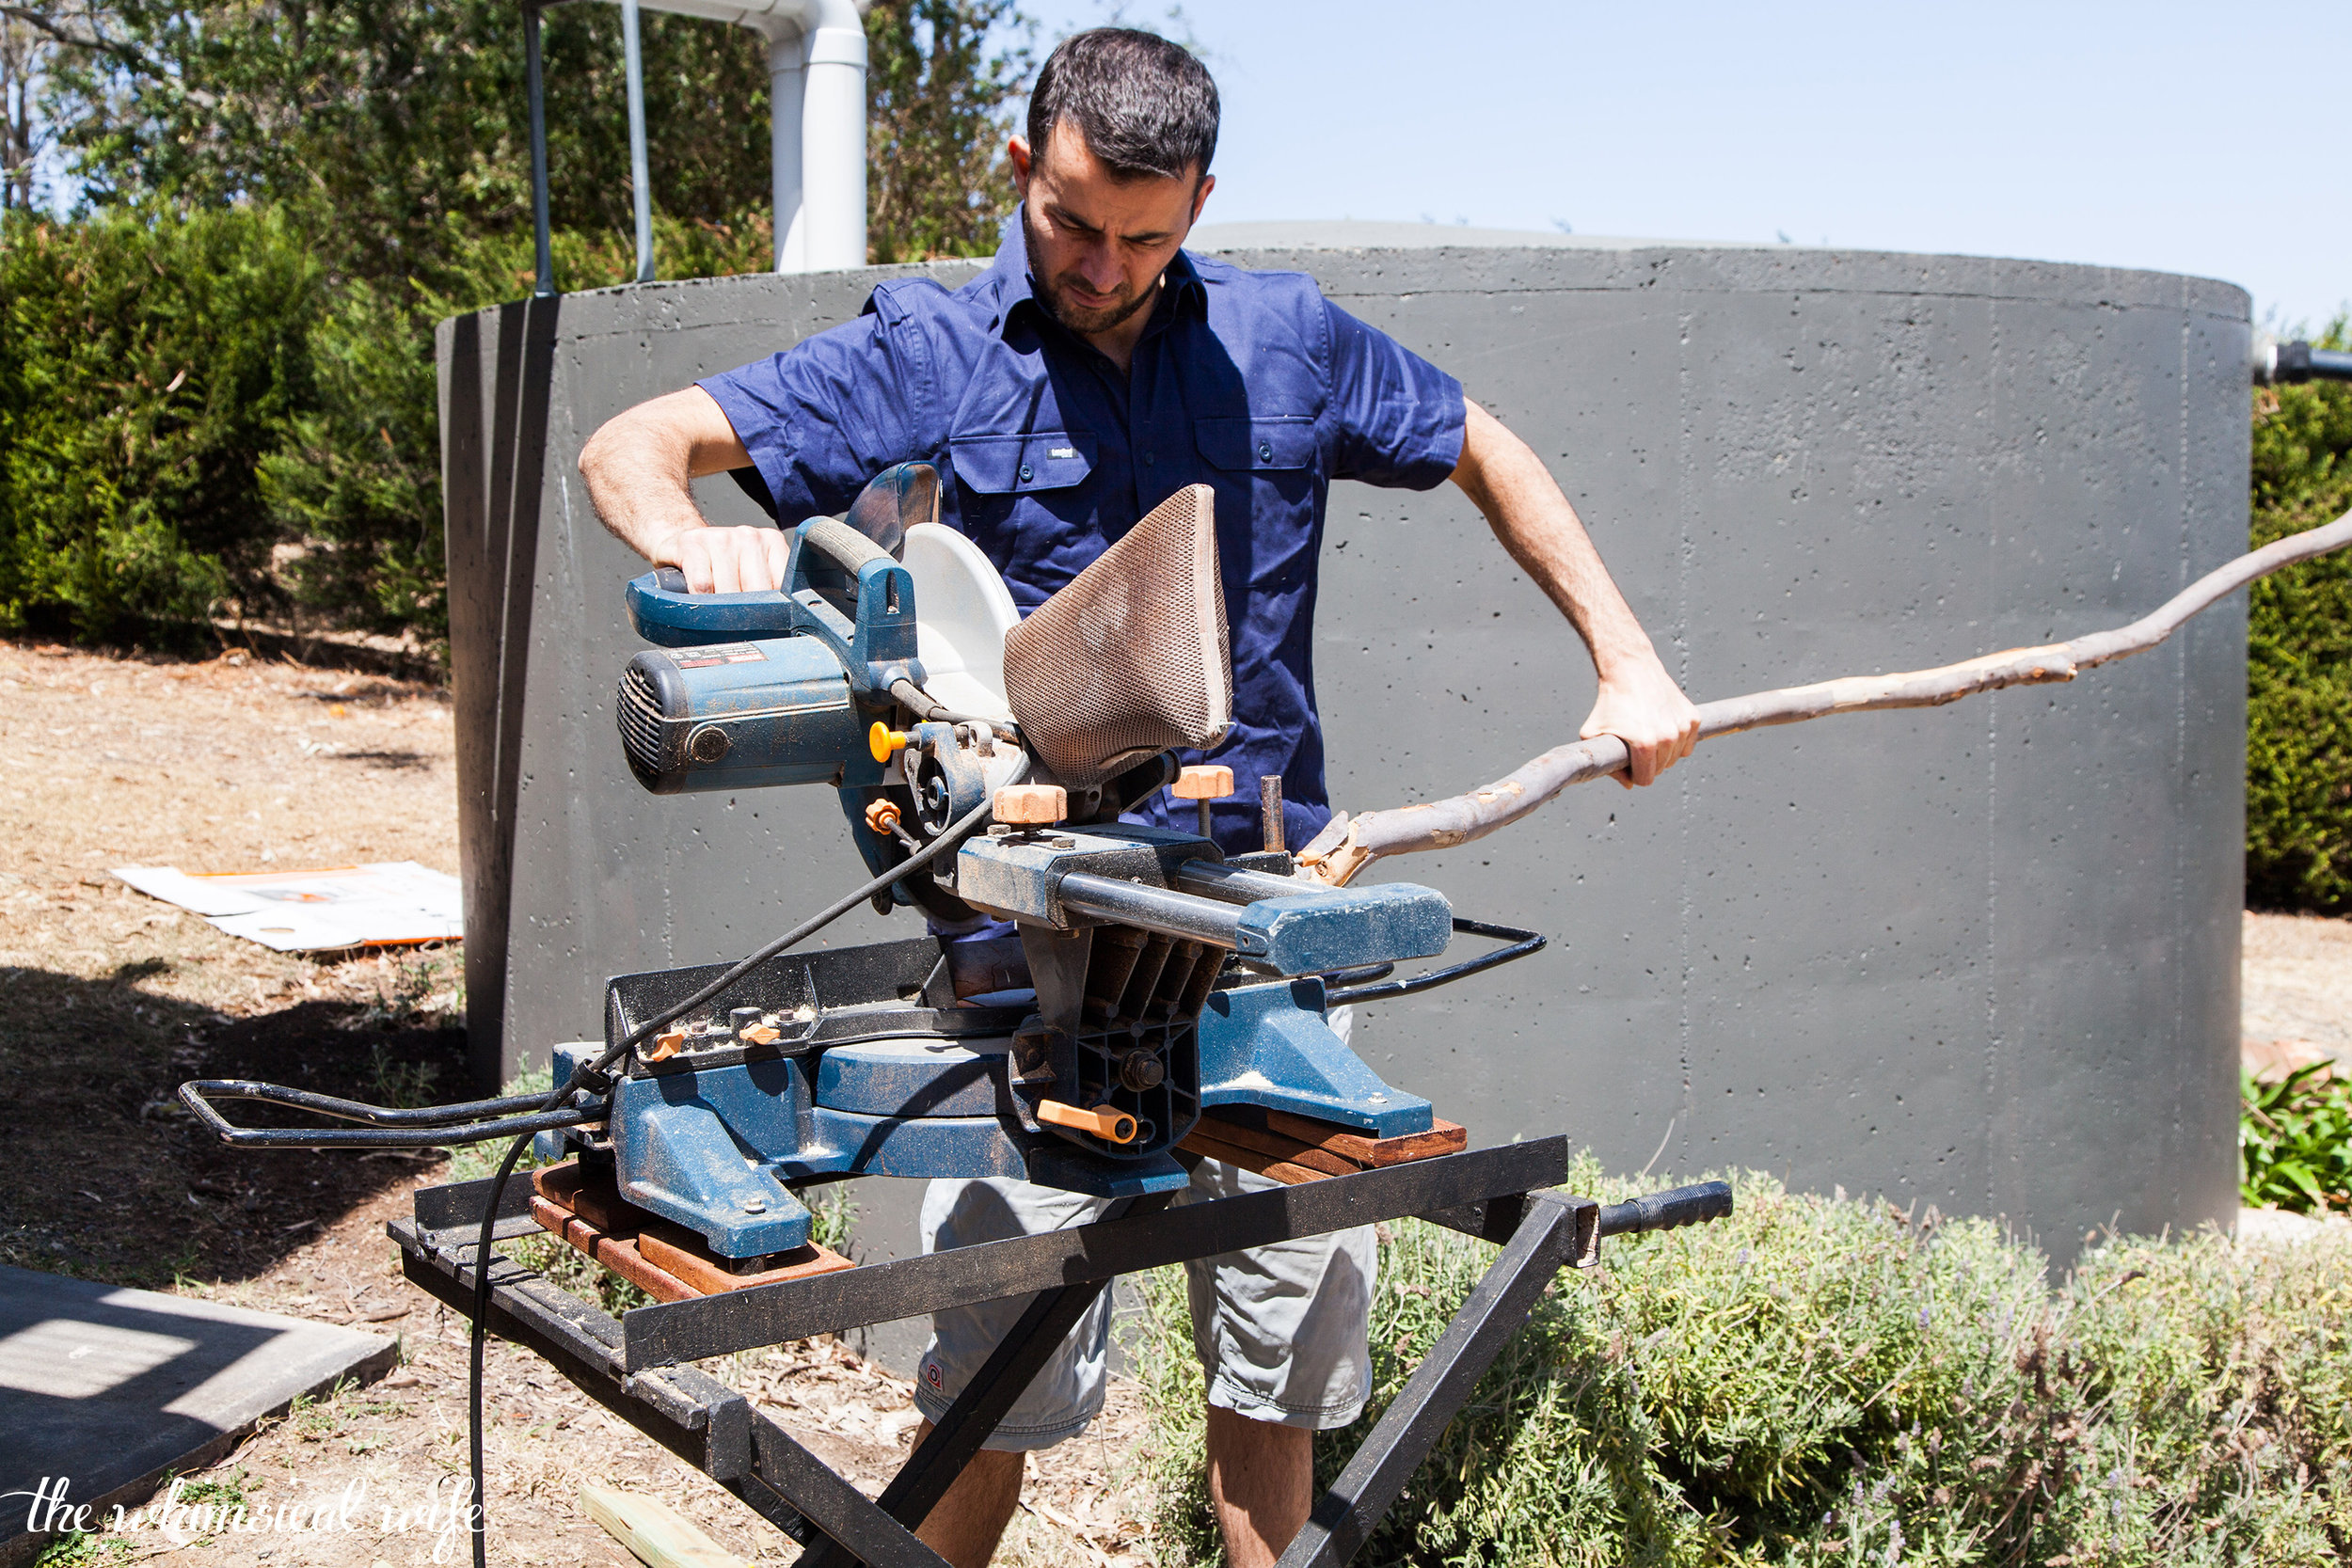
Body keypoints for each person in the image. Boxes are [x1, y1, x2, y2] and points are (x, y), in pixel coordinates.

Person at [578, 28, 1701, 1567]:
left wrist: (1627, 663)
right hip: (1033, 952)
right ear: (1023, 164)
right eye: (1075, 224)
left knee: (1278, 1371)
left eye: (1147, 238)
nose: (1105, 266)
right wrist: (685, 539)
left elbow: (1477, 445)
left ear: (1203, 204)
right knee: (993, 1380)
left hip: (1265, 914)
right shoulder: (931, 346)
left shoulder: (1285, 342)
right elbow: (634, 445)